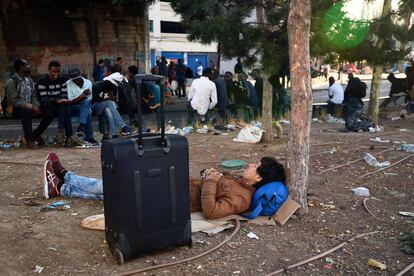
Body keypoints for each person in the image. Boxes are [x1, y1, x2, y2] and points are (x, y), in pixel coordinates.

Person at [43, 152, 288, 220]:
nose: (250, 164)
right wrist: (208, 175)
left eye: (256, 165)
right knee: (121, 191)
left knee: (124, 186)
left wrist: (211, 181)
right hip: (177, 186)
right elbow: (210, 183)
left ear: (260, 178)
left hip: (175, 199)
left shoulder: (243, 198)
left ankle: (67, 178)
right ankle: (63, 187)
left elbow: (212, 212)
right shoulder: (239, 180)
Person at [36, 61, 76, 147]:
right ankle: (68, 136)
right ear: (49, 70)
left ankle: (61, 132)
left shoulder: (62, 79)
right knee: (65, 107)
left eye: (58, 72)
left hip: (59, 106)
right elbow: (44, 100)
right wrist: (55, 100)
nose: (56, 74)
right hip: (47, 107)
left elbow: (64, 94)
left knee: (65, 106)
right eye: (53, 72)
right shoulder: (42, 81)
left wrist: (60, 100)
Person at [5, 59, 44, 149]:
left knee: (47, 113)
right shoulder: (11, 82)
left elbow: (34, 96)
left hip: (29, 108)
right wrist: (31, 107)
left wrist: (36, 106)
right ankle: (29, 140)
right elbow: (14, 101)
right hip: (15, 109)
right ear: (21, 67)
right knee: (25, 111)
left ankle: (36, 135)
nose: (29, 66)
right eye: (26, 65)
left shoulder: (29, 80)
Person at [92, 65, 133, 140]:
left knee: (109, 110)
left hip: (105, 107)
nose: (103, 74)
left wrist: (110, 97)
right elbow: (96, 99)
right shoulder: (98, 85)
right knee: (109, 103)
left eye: (104, 72)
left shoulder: (112, 86)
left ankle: (114, 134)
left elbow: (113, 98)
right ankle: (123, 126)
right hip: (95, 107)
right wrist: (106, 98)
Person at [64, 68, 99, 145]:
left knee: (87, 106)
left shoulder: (88, 83)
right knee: (87, 111)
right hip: (74, 106)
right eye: (73, 80)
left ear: (80, 76)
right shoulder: (68, 83)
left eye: (76, 79)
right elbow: (71, 101)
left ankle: (81, 126)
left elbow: (89, 99)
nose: (75, 81)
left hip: (85, 105)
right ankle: (88, 136)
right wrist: (82, 95)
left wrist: (82, 97)